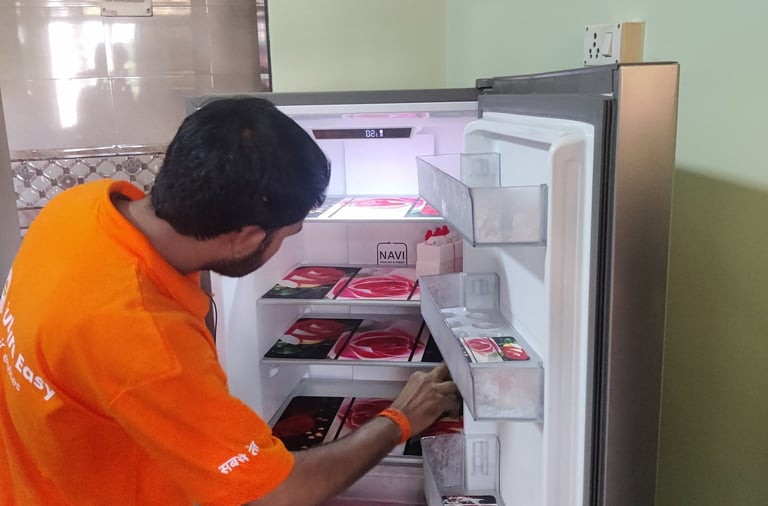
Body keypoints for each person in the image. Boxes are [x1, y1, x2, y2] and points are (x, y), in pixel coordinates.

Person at [0, 97, 460, 505]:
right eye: (290, 233)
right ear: (245, 239)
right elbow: (278, 494)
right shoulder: (150, 346)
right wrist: (400, 419)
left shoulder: (77, 208)